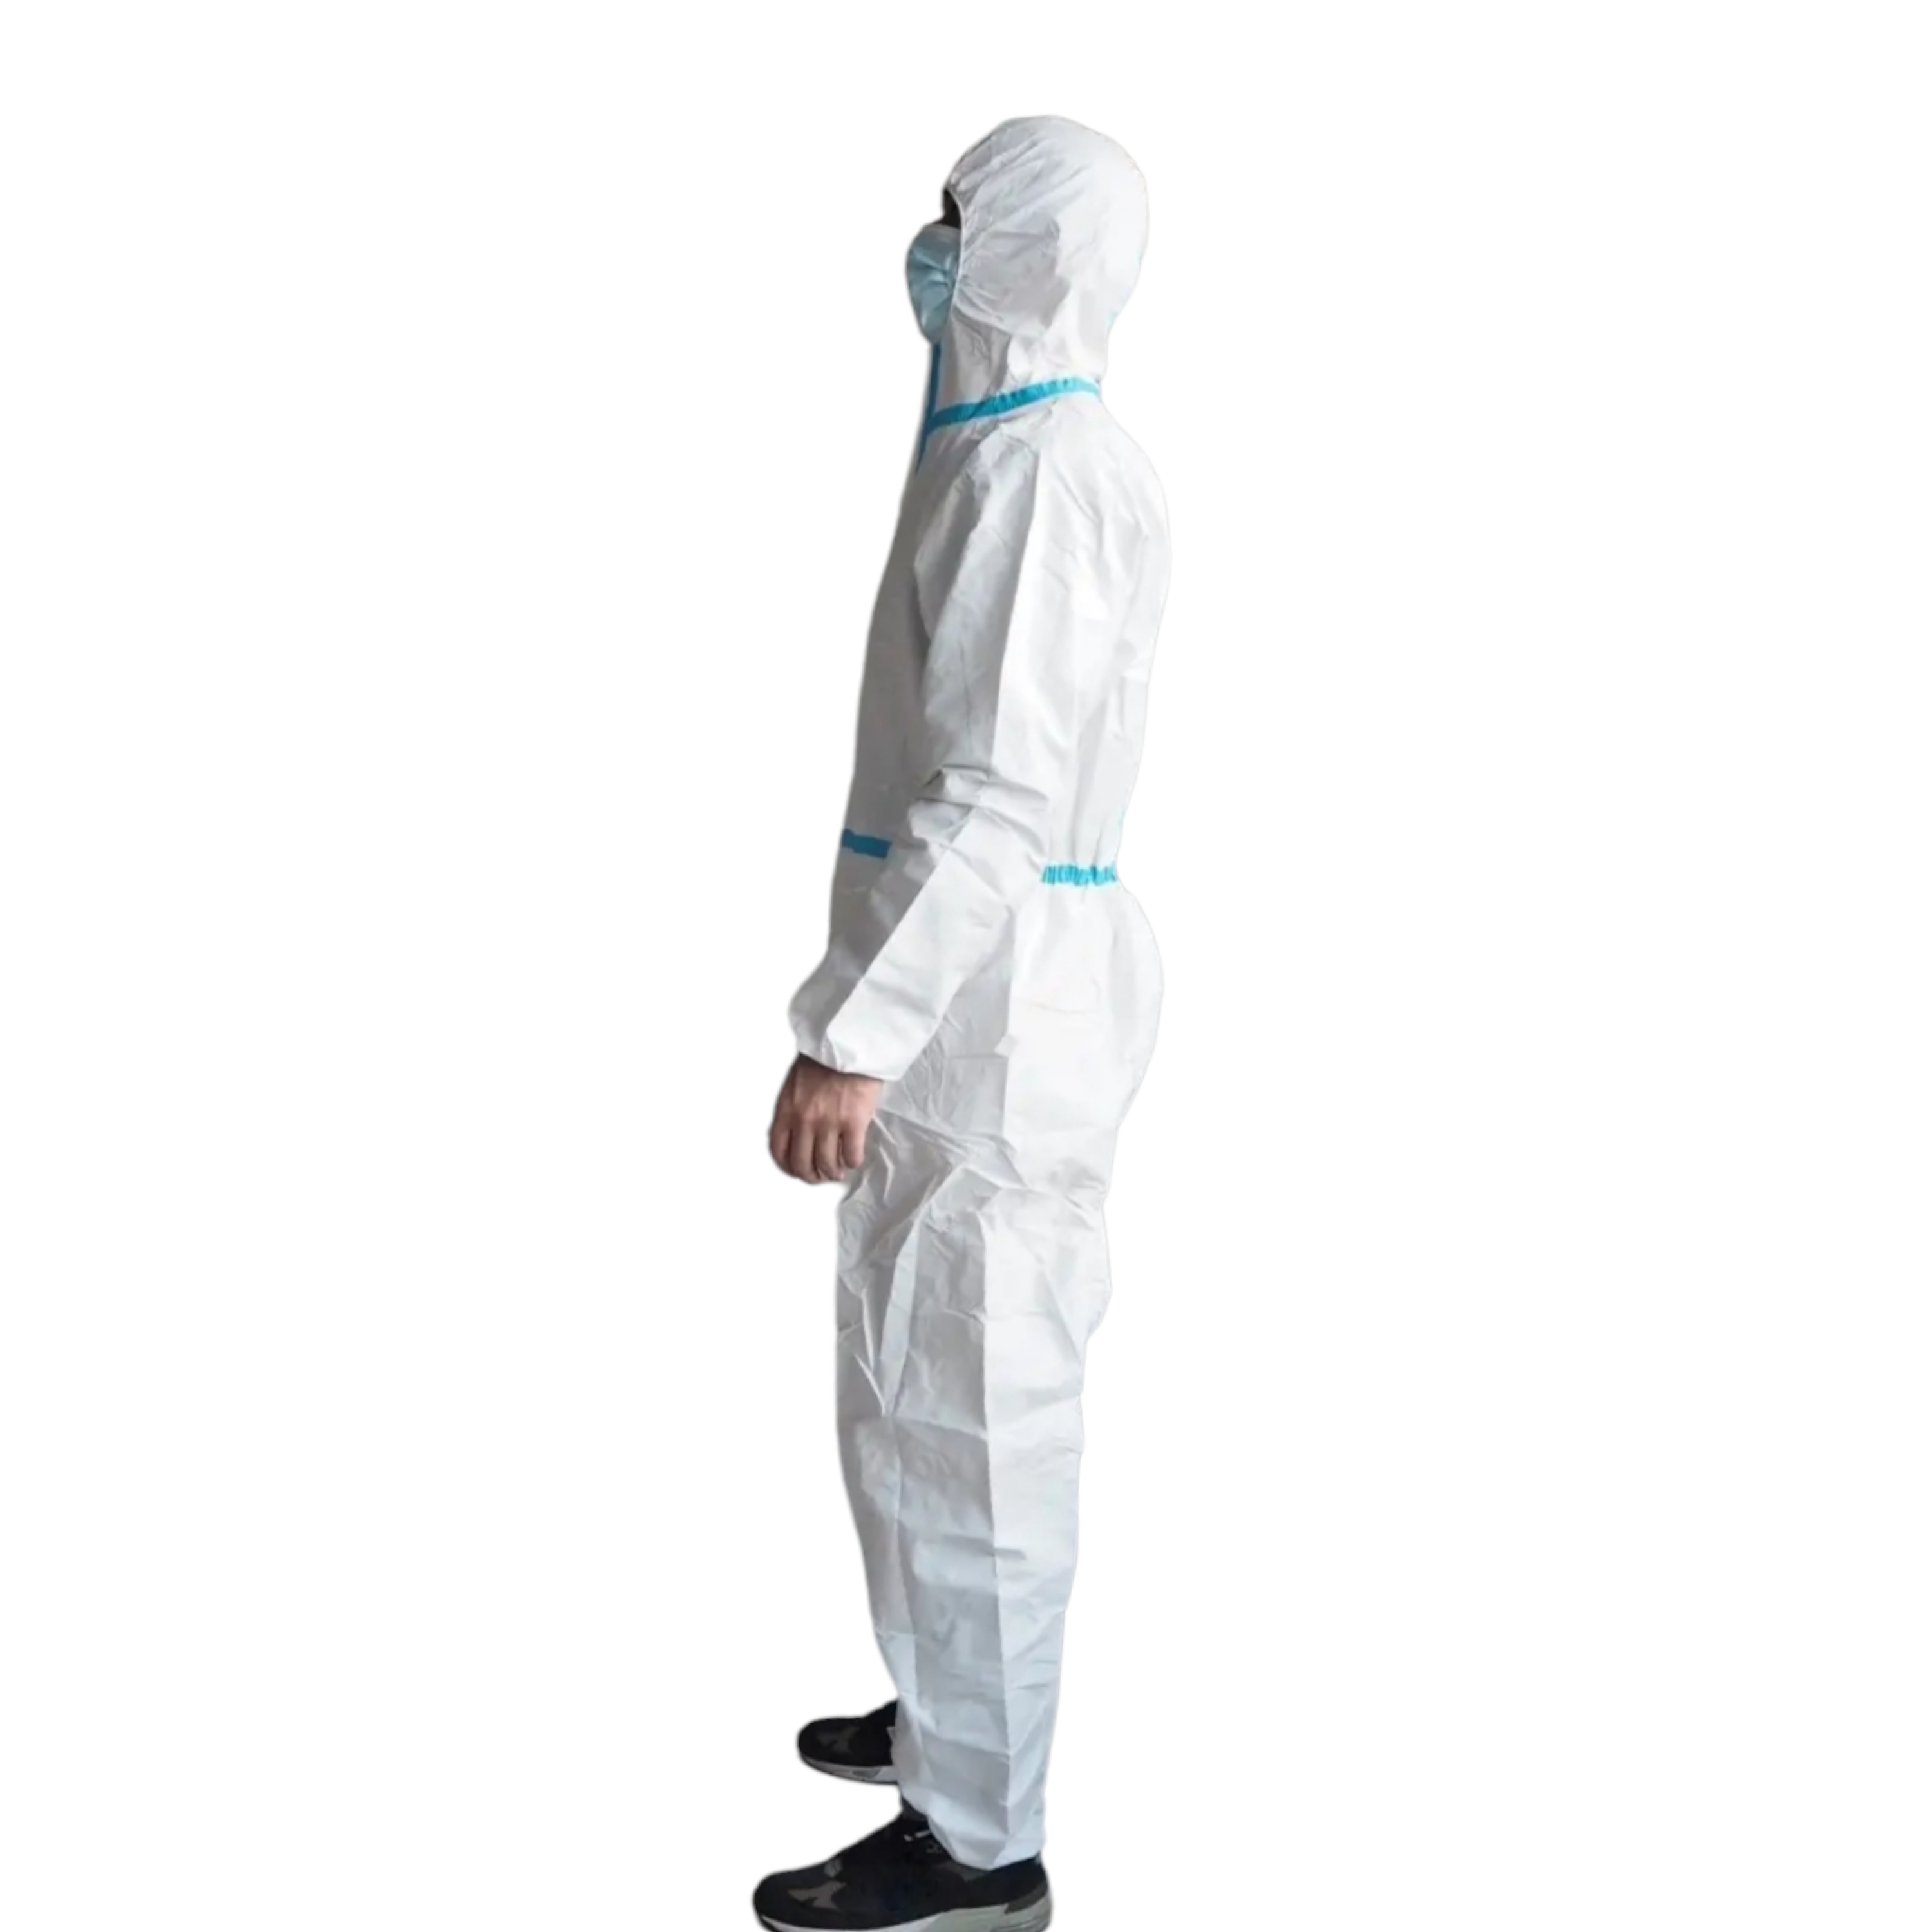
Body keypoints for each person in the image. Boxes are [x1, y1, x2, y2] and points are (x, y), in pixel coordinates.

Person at [758, 115, 1170, 1932]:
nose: (930, 244)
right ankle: (947, 1703)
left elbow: (996, 799)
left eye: (957, 214)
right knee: (914, 1368)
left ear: (1022, 244)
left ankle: (983, 1846)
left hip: (993, 1006)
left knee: (983, 1403)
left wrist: (855, 1032)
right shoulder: (997, 451)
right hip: (980, 992)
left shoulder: (1040, 473)